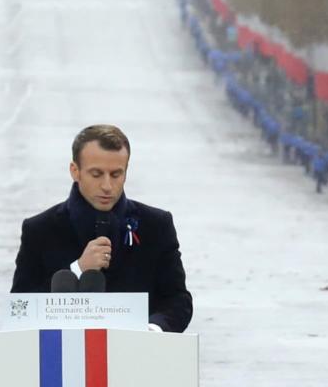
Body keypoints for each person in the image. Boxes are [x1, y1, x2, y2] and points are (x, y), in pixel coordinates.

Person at [10, 124, 193, 333]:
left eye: (116, 174)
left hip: (139, 357)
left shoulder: (157, 225)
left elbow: (178, 299)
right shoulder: (40, 229)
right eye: (96, 174)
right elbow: (19, 308)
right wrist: (77, 270)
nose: (107, 186)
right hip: (62, 358)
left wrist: (152, 330)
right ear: (75, 171)